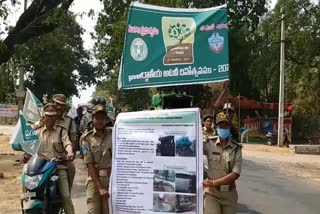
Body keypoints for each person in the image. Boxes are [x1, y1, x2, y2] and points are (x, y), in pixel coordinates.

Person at [34, 103, 75, 214]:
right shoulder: (36, 131)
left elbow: (67, 143)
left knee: (66, 196)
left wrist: (70, 152)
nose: (51, 118)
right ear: (43, 117)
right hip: (39, 169)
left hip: (57, 167)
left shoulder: (62, 130)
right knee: (28, 192)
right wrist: (25, 154)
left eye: (53, 116)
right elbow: (28, 144)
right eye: (48, 116)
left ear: (56, 117)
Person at [203, 111, 242, 214]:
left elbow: (235, 174)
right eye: (221, 125)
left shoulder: (236, 148)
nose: (223, 128)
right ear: (216, 127)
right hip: (211, 193)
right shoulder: (209, 143)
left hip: (229, 194)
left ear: (230, 128)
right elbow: (193, 151)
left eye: (226, 126)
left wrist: (214, 182)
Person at [82, 103, 112, 214]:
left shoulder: (114, 134)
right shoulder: (87, 139)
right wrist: (100, 188)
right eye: (97, 118)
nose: (100, 121)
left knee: (109, 211)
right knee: (93, 211)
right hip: (94, 181)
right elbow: (89, 164)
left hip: (111, 180)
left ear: (106, 120)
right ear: (92, 120)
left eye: (102, 118)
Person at [52, 94, 76, 191]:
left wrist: (70, 153)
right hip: (43, 159)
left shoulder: (69, 121)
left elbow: (72, 141)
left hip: (62, 159)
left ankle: (66, 195)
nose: (58, 107)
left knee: (71, 168)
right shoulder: (43, 119)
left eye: (61, 105)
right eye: (56, 104)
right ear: (52, 103)